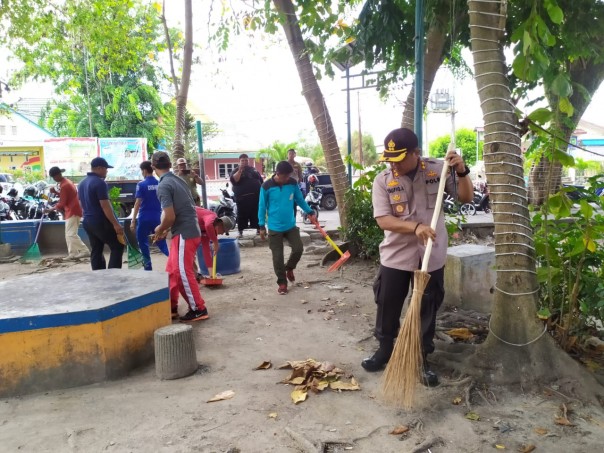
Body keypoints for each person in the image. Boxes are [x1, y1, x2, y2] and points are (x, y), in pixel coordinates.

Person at [361, 128, 473, 386]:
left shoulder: (438, 170)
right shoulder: (383, 180)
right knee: (387, 303)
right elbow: (383, 220)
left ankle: (421, 357)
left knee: (426, 308)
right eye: (390, 158)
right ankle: (385, 350)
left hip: (431, 256)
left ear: (416, 153)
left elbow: (466, 197)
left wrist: (461, 171)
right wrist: (415, 227)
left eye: (399, 157)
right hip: (396, 255)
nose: (394, 163)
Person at [151, 151, 208, 322]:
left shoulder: (163, 185)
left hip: (184, 233)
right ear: (170, 165)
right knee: (171, 272)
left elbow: (170, 217)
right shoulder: (178, 180)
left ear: (154, 167)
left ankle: (199, 309)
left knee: (182, 272)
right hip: (187, 230)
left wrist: (159, 230)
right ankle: (171, 307)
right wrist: (162, 230)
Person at [258, 161, 316, 295]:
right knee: (277, 257)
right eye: (285, 176)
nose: (288, 179)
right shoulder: (266, 186)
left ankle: (289, 268)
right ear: (278, 174)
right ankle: (282, 282)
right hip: (274, 227)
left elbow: (299, 199)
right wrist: (261, 226)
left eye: (289, 176)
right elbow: (261, 206)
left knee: (298, 249)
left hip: (290, 225)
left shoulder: (292, 183)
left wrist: (310, 212)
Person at [78, 157, 124, 270]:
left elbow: (80, 203)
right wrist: (116, 224)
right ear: (99, 168)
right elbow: (105, 206)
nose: (107, 171)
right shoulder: (100, 183)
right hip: (100, 221)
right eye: (106, 169)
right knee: (117, 246)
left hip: (88, 221)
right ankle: (113, 275)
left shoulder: (82, 183)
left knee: (96, 249)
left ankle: (98, 276)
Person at [129, 161, 169, 270]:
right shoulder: (159, 183)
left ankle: (148, 269)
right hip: (157, 218)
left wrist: (133, 221)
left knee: (143, 243)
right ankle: (174, 260)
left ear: (145, 170)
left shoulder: (141, 184)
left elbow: (137, 203)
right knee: (161, 243)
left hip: (144, 218)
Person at [46, 167, 90, 260]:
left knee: (70, 234)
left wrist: (50, 209)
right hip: (72, 210)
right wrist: (55, 192)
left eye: (54, 177)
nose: (54, 179)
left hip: (72, 210)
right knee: (68, 233)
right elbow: (66, 197)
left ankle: (84, 250)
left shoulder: (65, 185)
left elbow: (62, 203)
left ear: (57, 175)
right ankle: (72, 253)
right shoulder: (66, 182)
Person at [229, 153, 263, 238]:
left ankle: (258, 229)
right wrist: (240, 170)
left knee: (255, 213)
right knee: (242, 215)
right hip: (242, 198)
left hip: (255, 197)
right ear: (239, 161)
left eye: (246, 160)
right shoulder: (236, 170)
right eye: (242, 160)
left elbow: (260, 180)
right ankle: (240, 231)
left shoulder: (253, 169)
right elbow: (235, 180)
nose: (244, 162)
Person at [194, 206, 234, 277]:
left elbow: (206, 250)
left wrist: (211, 274)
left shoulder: (208, 233)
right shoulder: (212, 216)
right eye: (224, 231)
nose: (222, 234)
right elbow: (208, 225)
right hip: (178, 215)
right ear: (220, 225)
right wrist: (215, 242)